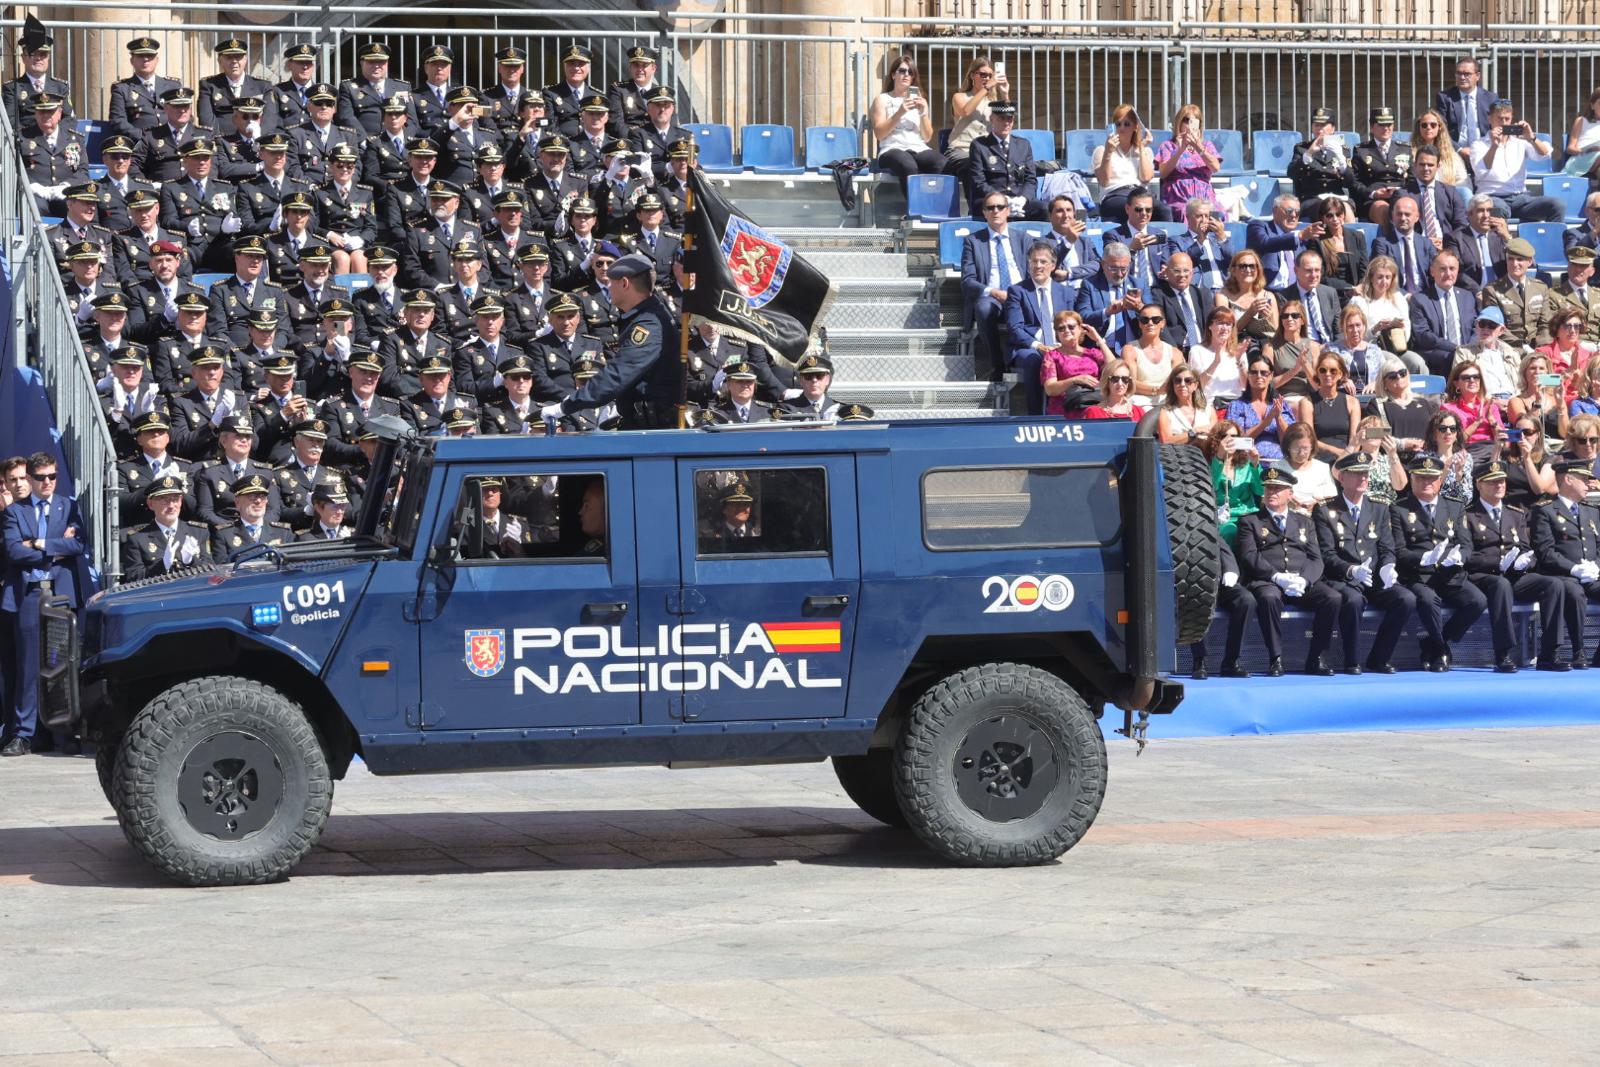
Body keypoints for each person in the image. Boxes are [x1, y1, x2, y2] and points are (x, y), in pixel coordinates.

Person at [1, 452, 87, 756]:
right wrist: (56, 549)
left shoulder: (69, 506)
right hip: (29, 594)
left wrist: (39, 544)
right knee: (27, 667)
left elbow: (78, 544)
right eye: (40, 477)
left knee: (61, 664)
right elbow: (14, 551)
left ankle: (64, 732)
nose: (47, 482)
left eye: (52, 476)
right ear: (31, 478)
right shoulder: (15, 511)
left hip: (60, 594)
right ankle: (23, 733)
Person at [545, 253, 679, 429]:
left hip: (653, 429)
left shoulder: (648, 324)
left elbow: (619, 373)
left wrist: (565, 406)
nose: (608, 288)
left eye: (611, 283)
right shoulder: (645, 315)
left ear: (624, 283)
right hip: (644, 424)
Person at [1313, 450, 1416, 673]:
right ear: (1342, 478)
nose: (1363, 478)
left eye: (1366, 474)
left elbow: (1386, 547)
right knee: (1353, 600)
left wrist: (1388, 567)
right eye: (1357, 473)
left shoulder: (1379, 508)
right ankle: (1352, 660)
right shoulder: (1326, 510)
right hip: (1344, 578)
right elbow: (1327, 554)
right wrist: (1351, 569)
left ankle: (1379, 658)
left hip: (1373, 578)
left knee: (1406, 599)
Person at [1236, 464, 1342, 676]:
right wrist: (1276, 576)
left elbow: (1316, 558)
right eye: (1269, 488)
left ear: (1290, 493)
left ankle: (1317, 658)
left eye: (1278, 488)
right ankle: (1275, 658)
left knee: (1332, 598)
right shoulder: (1250, 521)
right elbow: (1249, 555)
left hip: (1299, 581)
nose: (1272, 492)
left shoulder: (1304, 522)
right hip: (1268, 580)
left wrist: (1305, 580)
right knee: (1268, 597)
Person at [1462, 460, 1567, 671]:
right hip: (1484, 576)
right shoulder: (1468, 515)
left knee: (1554, 585)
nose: (1499, 485)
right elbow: (1467, 556)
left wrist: (1524, 562)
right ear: (1479, 485)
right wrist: (1498, 563)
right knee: (1501, 585)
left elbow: (1528, 549)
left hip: (1515, 575)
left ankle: (1550, 652)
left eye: (1502, 481)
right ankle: (1503, 653)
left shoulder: (1515, 514)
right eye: (1492, 482)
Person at [1390, 453, 1486, 671]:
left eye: (1432, 478)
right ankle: (1441, 650)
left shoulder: (1454, 506)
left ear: (1440, 480)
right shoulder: (1399, 508)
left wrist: (1459, 557)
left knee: (1477, 601)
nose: (1427, 482)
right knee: (1428, 600)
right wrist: (1423, 558)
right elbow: (1399, 551)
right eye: (1421, 477)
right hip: (1419, 576)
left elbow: (1466, 544)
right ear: (1412, 479)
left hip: (1450, 574)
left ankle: (1433, 643)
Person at [1532, 457, 1600, 666]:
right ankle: (1579, 650)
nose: (1589, 483)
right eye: (1583, 479)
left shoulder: (1591, 511)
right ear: (1568, 479)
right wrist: (1575, 569)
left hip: (1591, 573)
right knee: (1575, 593)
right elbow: (1545, 552)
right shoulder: (1545, 510)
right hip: (1562, 575)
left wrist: (1596, 566)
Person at [1004, 241, 1078, 414]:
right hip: (1028, 348)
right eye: (1034, 261)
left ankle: (1071, 412)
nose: (1038, 266)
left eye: (1043, 262)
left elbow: (1072, 324)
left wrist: (1064, 344)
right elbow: (1015, 328)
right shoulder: (1017, 291)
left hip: (1060, 345)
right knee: (1035, 360)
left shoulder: (1066, 293)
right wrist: (1039, 346)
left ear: (1053, 265)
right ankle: (1036, 415)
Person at [961, 191, 1029, 377]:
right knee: (983, 308)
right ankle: (997, 365)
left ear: (1008, 211)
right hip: (992, 298)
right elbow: (967, 281)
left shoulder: (1023, 239)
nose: (995, 211)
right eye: (990, 208)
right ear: (984, 213)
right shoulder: (973, 241)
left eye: (1000, 207)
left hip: (1020, 295)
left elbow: (1037, 270)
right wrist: (994, 292)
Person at [1466, 100, 1561, 222]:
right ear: (1490, 119)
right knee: (1498, 210)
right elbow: (1481, 170)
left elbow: (1545, 153)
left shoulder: (1520, 142)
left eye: (1507, 119)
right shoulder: (1478, 145)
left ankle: (1553, 235)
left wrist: (1531, 137)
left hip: (1521, 198)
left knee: (1556, 205)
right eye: (1499, 118)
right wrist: (1494, 146)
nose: (1503, 123)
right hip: (1492, 196)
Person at [1191, 521, 1256, 680]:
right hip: (1193, 583)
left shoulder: (1202, 523)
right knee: (1196, 597)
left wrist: (1230, 570)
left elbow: (1222, 547)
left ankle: (1231, 662)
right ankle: (1199, 661)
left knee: (1246, 600)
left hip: (1219, 582)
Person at [871, 53, 943, 195]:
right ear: (893, 75)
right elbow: (879, 134)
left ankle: (933, 203)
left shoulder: (920, 100)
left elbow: (927, 137)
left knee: (941, 163)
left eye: (910, 72)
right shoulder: (882, 99)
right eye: (902, 71)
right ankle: (915, 206)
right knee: (908, 165)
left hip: (917, 148)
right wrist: (900, 112)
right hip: (891, 148)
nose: (906, 75)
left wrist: (923, 113)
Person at [965, 101, 1041, 220]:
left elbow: (1030, 179)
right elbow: (978, 182)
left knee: (1043, 209)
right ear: (992, 119)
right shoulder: (980, 145)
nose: (1006, 123)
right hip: (990, 200)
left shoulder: (1023, 145)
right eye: (1001, 118)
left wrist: (1023, 199)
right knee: (996, 210)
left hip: (1018, 200)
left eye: (1009, 119)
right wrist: (1003, 200)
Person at [1410, 250, 1479, 374]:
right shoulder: (1420, 299)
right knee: (1454, 358)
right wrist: (1456, 349)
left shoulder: (1467, 296)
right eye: (1442, 269)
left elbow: (1476, 326)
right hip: (1437, 354)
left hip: (1466, 351)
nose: (1448, 274)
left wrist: (1469, 347)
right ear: (1432, 271)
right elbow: (1423, 335)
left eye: (1452, 269)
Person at [1092, 104, 1162, 224]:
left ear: (1135, 127)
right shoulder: (1102, 151)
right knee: (1134, 208)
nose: (1122, 128)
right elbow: (1104, 181)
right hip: (1114, 195)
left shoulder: (1145, 151)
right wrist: (1108, 152)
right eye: (1118, 124)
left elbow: (1146, 178)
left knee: (1163, 210)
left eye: (1127, 124)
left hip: (1140, 194)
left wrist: (1141, 148)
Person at [1074, 242, 1144, 356]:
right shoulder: (1090, 284)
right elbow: (1082, 317)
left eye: (1123, 268)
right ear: (1103, 264)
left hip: (1134, 348)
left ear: (1129, 264)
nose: (1119, 274)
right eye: (1113, 268)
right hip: (1101, 349)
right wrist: (1107, 312)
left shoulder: (1139, 284)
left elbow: (1154, 313)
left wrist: (1140, 308)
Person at [1479, 237, 1549, 351]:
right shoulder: (1492, 290)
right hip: (1507, 348)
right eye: (1510, 259)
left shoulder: (1540, 288)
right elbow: (1495, 326)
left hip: (1538, 349)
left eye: (1519, 259)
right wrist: (1523, 348)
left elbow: (1545, 324)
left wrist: (1541, 348)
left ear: (1529, 262)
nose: (1514, 264)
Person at [944, 55, 1008, 178]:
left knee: (1006, 166)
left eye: (990, 76)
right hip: (962, 150)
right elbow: (965, 111)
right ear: (972, 75)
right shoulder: (959, 97)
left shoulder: (992, 102)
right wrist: (987, 87)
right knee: (974, 165)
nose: (987, 78)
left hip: (985, 152)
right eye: (983, 75)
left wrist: (1005, 94)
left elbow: (1006, 123)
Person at [1153, 104, 1221, 218]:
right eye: (1186, 120)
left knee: (1218, 214)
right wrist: (1180, 150)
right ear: (1179, 123)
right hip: (1179, 197)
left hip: (1204, 197)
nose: (1189, 125)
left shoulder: (1206, 145)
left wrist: (1198, 147)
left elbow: (1215, 168)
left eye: (1194, 121)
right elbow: (1163, 173)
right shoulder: (1168, 146)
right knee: (1186, 213)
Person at [108, 37, 180, 139]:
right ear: (132, 61)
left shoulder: (173, 86)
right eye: (140, 56)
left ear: (157, 60)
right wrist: (145, 138)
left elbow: (185, 116)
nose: (145, 59)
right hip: (140, 144)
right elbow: (118, 121)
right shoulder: (122, 88)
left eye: (150, 56)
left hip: (171, 141)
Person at [1227, 353, 1296, 460]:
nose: (1259, 376)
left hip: (1280, 462)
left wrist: (1278, 418)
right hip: (1249, 461)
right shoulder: (1237, 406)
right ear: (1248, 375)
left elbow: (1290, 442)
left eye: (1264, 373)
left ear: (1271, 376)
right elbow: (1237, 441)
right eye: (1254, 372)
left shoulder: (1281, 405)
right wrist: (1265, 423)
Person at [1289, 107, 1357, 211]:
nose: (1320, 129)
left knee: (1345, 208)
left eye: (1324, 125)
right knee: (1331, 208)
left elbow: (1350, 182)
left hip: (1337, 198)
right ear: (1312, 128)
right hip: (1311, 199)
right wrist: (1308, 154)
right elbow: (1291, 173)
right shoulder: (1302, 149)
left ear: (1333, 128)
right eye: (1316, 125)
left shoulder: (1342, 150)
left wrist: (1340, 157)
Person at [1039, 310, 1106, 417]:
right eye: (1061, 328)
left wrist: (1098, 339)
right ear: (1057, 333)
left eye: (1071, 327)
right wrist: (1075, 380)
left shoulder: (1093, 353)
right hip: (1065, 409)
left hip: (1095, 406)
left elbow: (1115, 369)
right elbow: (1050, 389)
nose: (1066, 330)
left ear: (1080, 329)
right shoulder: (1052, 356)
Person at [211, 473, 293, 560]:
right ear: (237, 502)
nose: (258, 501)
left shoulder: (283, 532)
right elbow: (222, 566)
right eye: (252, 496)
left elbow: (292, 565)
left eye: (262, 496)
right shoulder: (224, 534)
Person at [1351, 106, 1410, 225]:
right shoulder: (1361, 150)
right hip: (1374, 200)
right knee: (1385, 211)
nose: (1386, 128)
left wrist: (1401, 190)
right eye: (1381, 125)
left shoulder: (1405, 149)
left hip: (1402, 195)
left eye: (1389, 124)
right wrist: (1373, 194)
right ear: (1372, 127)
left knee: (1408, 207)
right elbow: (1355, 181)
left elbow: (1412, 177)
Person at [1208, 419, 1263, 546]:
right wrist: (1219, 458)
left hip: (1248, 515)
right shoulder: (1208, 463)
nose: (1230, 440)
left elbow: (1260, 491)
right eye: (1225, 436)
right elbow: (1211, 489)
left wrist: (1255, 465)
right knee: (1230, 531)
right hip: (1223, 518)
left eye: (1234, 436)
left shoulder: (1246, 464)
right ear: (1217, 440)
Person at [1247, 194, 1314, 293]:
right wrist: (1298, 236)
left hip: (1295, 293)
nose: (1294, 215)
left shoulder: (1301, 235)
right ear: (1275, 212)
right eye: (1289, 211)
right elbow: (1265, 243)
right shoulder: (1259, 227)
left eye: (1297, 212)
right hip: (1267, 292)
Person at [1402, 145, 1468, 246]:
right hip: (1416, 246)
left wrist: (1447, 242)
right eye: (1422, 164)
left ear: (1438, 166)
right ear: (1415, 166)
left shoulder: (1451, 192)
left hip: (1446, 245)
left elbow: (1461, 224)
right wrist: (1424, 242)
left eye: (1430, 165)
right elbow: (1399, 227)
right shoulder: (1403, 194)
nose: (1426, 168)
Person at [1441, 359, 1505, 463]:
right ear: (1456, 384)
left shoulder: (1490, 405)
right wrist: (1477, 422)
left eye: (1476, 377)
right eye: (1466, 377)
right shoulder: (1448, 409)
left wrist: (1491, 420)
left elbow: (1503, 439)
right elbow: (1454, 442)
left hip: (1494, 449)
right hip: (1469, 452)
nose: (1472, 380)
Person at [1151, 251, 1213, 357]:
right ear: (1167, 272)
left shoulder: (1202, 294)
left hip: (1203, 349)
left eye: (1186, 271)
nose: (1182, 275)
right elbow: (1160, 328)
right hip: (1176, 351)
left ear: (1192, 273)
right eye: (1176, 271)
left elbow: (1210, 324)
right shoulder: (1158, 295)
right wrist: (1175, 352)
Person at [1299, 351, 1361, 458]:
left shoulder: (1352, 402)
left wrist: (1347, 456)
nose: (1327, 374)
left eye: (1333, 371)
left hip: (1347, 457)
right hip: (1319, 457)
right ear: (1318, 373)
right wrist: (1336, 451)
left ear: (1340, 374)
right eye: (1323, 370)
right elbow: (1309, 438)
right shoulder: (1307, 402)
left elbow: (1355, 440)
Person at [1372, 196, 1435, 298]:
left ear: (1417, 217)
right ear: (1392, 216)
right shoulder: (1382, 244)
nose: (1403, 218)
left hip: (1425, 296)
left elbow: (1435, 273)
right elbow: (1381, 277)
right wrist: (1406, 296)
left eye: (1407, 214)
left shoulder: (1426, 244)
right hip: (1396, 296)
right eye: (1399, 214)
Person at [1215, 249, 1279, 349]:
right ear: (1233, 270)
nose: (1248, 270)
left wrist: (1269, 318)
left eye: (1252, 266)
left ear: (1258, 270)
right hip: (1234, 347)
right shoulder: (1222, 296)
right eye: (1242, 266)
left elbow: (1277, 334)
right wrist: (1250, 313)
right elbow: (1224, 331)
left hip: (1265, 348)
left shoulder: (1268, 296)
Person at [1452, 305, 1521, 398]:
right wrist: (1490, 401)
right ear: (1477, 327)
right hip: (1483, 401)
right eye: (1482, 324)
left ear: (1501, 330)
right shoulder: (1464, 353)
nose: (1486, 329)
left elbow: (1522, 383)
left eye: (1492, 325)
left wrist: (1515, 401)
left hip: (1513, 400)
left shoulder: (1512, 353)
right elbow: (1461, 384)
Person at [1276, 248, 1340, 348]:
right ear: (1296, 271)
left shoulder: (1330, 293)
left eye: (1317, 270)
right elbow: (1284, 333)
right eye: (1308, 270)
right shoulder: (1284, 297)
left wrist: (1337, 347)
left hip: (1330, 347)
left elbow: (1339, 329)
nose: (1313, 275)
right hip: (1302, 348)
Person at [1446, 195, 1510, 294]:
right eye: (1480, 211)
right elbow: (1457, 271)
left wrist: (1508, 238)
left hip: (1502, 292)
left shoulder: (1500, 235)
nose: (1486, 215)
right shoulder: (1455, 238)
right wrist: (1479, 292)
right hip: (1472, 293)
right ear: (1469, 214)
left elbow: (1526, 262)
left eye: (1489, 210)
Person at [1541, 246, 1600, 349]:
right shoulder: (1553, 295)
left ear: (1592, 271)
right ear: (1568, 267)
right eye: (1574, 264)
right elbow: (1553, 329)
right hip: (1570, 348)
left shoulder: (1598, 295)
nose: (1578, 269)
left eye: (1583, 266)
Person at [1187, 305, 1249, 403]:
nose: (1224, 328)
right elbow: (1196, 387)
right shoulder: (1197, 351)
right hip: (1209, 404)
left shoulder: (1238, 351)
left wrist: (1239, 361)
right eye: (1220, 323)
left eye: (1228, 324)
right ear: (1210, 326)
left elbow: (1246, 386)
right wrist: (1215, 362)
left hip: (1235, 404)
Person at [1308, 196, 1368, 297]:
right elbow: (1321, 275)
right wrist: (1349, 288)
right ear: (1323, 218)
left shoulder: (1357, 236)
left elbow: (1364, 268)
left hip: (1357, 293)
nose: (1335, 219)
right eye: (1329, 215)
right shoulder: (1316, 241)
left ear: (1343, 215)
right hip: (1331, 294)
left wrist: (1361, 286)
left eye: (1339, 214)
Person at [1508, 350, 1569, 448]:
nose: (1537, 372)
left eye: (1541, 368)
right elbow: (1526, 430)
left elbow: (1565, 434)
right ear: (1524, 373)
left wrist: (1561, 405)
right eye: (1532, 368)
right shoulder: (1516, 401)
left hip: (1556, 448)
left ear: (1547, 372)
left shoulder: (1556, 399)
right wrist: (1538, 402)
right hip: (1529, 448)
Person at [1174, 197, 1234, 294]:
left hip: (1224, 291)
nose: (1204, 220)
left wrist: (1222, 236)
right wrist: (1201, 239)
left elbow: (1234, 260)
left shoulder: (1218, 239)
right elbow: (1179, 263)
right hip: (1198, 292)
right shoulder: (1177, 240)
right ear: (1187, 217)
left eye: (1207, 216)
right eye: (1199, 216)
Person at [1122, 303, 1181, 400]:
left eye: (1155, 319)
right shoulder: (1130, 350)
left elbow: (1179, 380)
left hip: (1168, 403)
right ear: (1140, 324)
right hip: (1139, 402)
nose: (1150, 323)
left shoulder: (1174, 352)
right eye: (1145, 320)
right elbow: (1130, 382)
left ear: (1163, 323)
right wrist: (1157, 390)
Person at [1501, 412, 1558, 509]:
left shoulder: (1548, 459)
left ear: (1537, 435)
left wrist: (1527, 458)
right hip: (1509, 509)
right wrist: (1497, 448)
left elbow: (1539, 489)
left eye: (1527, 432)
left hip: (1534, 510)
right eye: (1518, 432)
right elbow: (1489, 481)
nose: (1522, 436)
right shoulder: (1506, 455)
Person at [1328, 303, 1388, 393]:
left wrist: (1376, 383)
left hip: (1371, 397)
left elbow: (1387, 375)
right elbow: (1326, 376)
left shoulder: (1374, 350)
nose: (1355, 330)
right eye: (1350, 326)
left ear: (1364, 326)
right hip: (1343, 396)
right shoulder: (1333, 351)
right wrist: (1342, 381)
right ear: (1342, 327)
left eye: (1358, 325)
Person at [1265, 300, 1319, 399]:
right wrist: (1294, 370)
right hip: (1282, 399)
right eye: (1285, 316)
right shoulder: (1270, 347)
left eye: (1294, 316)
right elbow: (1266, 384)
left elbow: (1318, 386)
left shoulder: (1313, 347)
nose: (1289, 319)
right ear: (1281, 320)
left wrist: (1305, 364)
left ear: (1302, 320)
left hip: (1308, 398)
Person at [1436, 57, 1495, 147]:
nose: (1462, 77)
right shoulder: (1445, 98)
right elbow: (1441, 130)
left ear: (1477, 76)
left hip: (1484, 149)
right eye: (1459, 73)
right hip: (1454, 150)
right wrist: (1459, 150)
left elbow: (1496, 126)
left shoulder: (1490, 98)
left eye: (1467, 74)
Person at [1042, 195, 1099, 284]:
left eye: (1069, 210)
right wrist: (1068, 242)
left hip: (1083, 290)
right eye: (1060, 211)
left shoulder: (1085, 242)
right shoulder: (1041, 242)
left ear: (1074, 215)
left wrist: (1070, 273)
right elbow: (1045, 265)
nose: (1066, 215)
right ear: (1050, 216)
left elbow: (1098, 265)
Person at [1356, 414, 1410, 504]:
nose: (1372, 434)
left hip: (1385, 507)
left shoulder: (1389, 460)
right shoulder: (1353, 459)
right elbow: (1338, 474)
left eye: (1376, 430)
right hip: (1360, 505)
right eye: (1368, 429)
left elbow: (1400, 486)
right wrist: (1354, 444)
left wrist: (1393, 454)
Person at [1281, 422, 1336, 511]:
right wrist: (1287, 501)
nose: (1301, 453)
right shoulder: (1278, 468)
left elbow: (1332, 498)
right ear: (1288, 447)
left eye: (1305, 448)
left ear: (1312, 447)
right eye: (1296, 448)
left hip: (1317, 516)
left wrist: (1318, 505)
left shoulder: (1323, 468)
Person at [1158, 363, 1215, 445]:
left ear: (1195, 385)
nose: (1182, 384)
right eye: (1177, 380)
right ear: (1173, 385)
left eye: (1188, 380)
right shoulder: (1166, 412)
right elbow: (1166, 441)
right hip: (1178, 452)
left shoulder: (1209, 410)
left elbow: (1216, 437)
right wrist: (1193, 432)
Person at [1077, 358, 1145, 421]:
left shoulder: (1139, 411)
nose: (1120, 383)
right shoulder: (1093, 412)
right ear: (1107, 382)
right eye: (1115, 379)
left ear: (1129, 382)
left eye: (1125, 379)